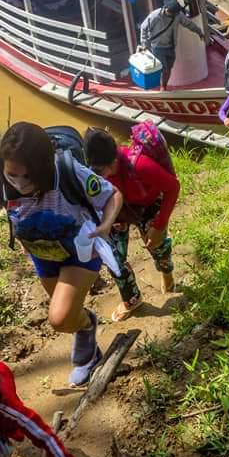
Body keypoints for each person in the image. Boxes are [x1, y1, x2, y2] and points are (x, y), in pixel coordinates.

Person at [0, 122, 123, 387]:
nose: (20, 184)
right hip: (42, 254)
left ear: (45, 167)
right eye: (13, 175)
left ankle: (86, 334)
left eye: (29, 177)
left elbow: (112, 195)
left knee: (58, 318)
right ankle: (86, 334)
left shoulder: (69, 172)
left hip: (79, 251)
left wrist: (105, 225)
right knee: (69, 315)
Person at [84, 128, 180, 322]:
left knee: (158, 247)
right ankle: (132, 299)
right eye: (94, 170)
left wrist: (159, 227)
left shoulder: (141, 166)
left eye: (102, 170)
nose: (99, 175)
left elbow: (173, 187)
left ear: (114, 161)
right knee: (113, 258)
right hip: (117, 212)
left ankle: (167, 276)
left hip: (147, 206)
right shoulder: (94, 173)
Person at [139, 0, 206, 89]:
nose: (173, 15)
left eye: (174, 13)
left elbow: (189, 24)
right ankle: (162, 88)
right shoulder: (155, 16)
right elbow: (143, 27)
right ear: (165, 9)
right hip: (158, 47)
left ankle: (164, 86)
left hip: (171, 47)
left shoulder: (177, 15)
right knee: (164, 69)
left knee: (169, 69)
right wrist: (144, 43)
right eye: (171, 13)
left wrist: (199, 33)